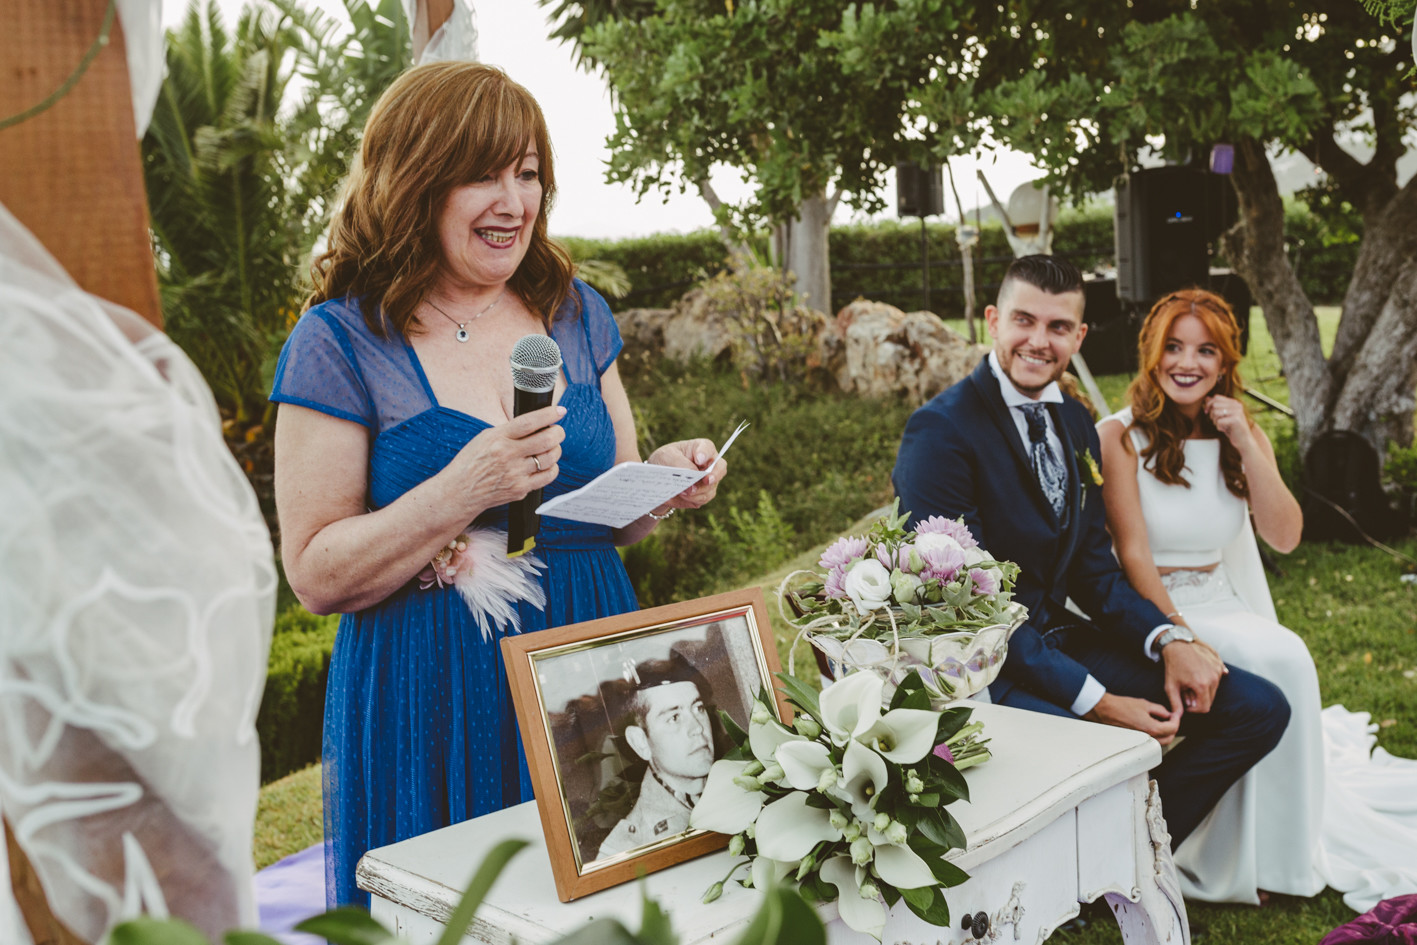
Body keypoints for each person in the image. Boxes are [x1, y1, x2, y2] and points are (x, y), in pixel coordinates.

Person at [269, 62, 728, 909]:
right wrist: (461, 488)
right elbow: (314, 572)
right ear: (415, 182)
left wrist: (663, 479)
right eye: (483, 174)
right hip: (435, 682)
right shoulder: (339, 341)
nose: (514, 201)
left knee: (608, 909)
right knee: (464, 907)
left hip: (587, 658)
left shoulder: (574, 311)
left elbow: (620, 520)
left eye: (527, 172)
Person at [891, 255, 1290, 850]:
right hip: (983, 670)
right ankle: (1106, 857)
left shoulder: (1076, 422)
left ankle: (1133, 852)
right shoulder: (941, 431)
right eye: (1024, 320)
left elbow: (1093, 570)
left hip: (1058, 638)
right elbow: (970, 613)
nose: (1039, 340)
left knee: (1258, 707)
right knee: (1107, 759)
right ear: (994, 320)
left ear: (1078, 337)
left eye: (1058, 327)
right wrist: (1100, 702)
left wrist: (1170, 640)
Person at [1098, 288, 1417, 910]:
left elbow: (1286, 536)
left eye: (1205, 351)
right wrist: (1179, 635)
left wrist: (1246, 441)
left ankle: (1280, 855)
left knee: (1286, 656)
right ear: (1152, 353)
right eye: (1174, 347)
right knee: (1274, 660)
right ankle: (1226, 856)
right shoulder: (1120, 436)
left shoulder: (1238, 433)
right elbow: (1132, 556)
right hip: (1155, 607)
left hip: (1223, 598)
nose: (1187, 362)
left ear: (1225, 362)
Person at [596, 656, 716, 860]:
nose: (697, 728)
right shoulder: (623, 851)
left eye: (698, 708)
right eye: (674, 718)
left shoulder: (748, 785)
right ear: (640, 742)